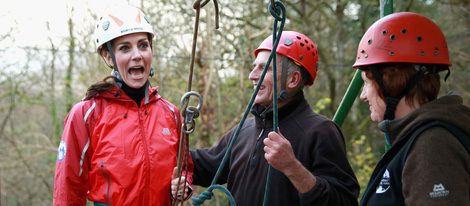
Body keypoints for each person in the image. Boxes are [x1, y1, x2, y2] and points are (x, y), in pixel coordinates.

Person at [172, 31, 360, 205]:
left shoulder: (320, 131)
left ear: (292, 80)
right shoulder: (244, 129)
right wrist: (162, 135)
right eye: (254, 67)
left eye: (264, 69)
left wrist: (293, 167)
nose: (252, 75)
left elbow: (344, 200)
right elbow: (204, 165)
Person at [53, 5, 193, 205]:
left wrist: (183, 186)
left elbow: (185, 167)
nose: (137, 55)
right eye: (125, 48)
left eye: (143, 45)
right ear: (109, 57)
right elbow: (67, 191)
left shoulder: (170, 114)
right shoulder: (86, 115)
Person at [353, 12, 470, 206]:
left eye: (366, 83)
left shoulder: (433, 145)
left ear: (391, 82)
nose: (363, 95)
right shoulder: (416, 139)